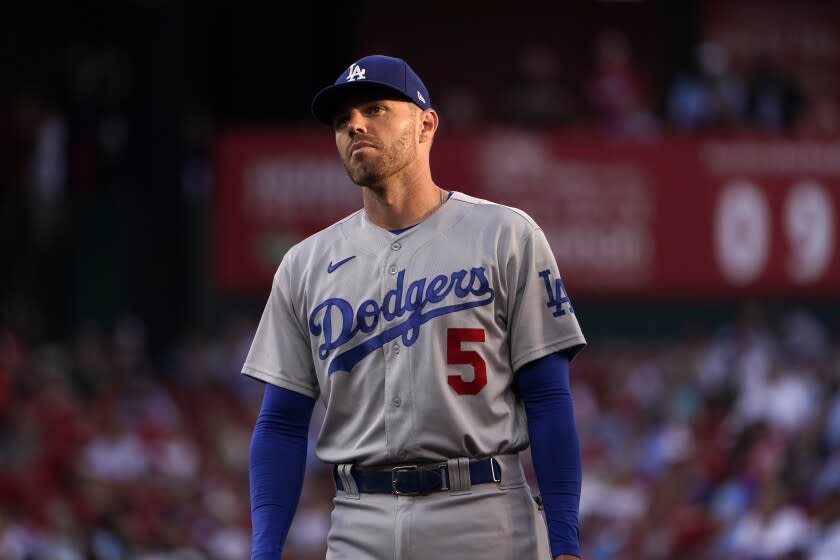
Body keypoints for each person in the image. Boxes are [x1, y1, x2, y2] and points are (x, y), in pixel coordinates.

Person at [243, 54, 586, 560]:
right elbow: (281, 423)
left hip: (483, 513)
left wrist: (565, 546)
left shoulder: (506, 235)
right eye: (342, 121)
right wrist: (264, 551)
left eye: (376, 109)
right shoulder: (304, 264)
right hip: (360, 521)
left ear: (426, 124)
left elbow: (549, 399)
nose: (354, 124)